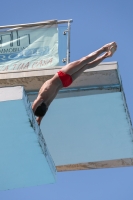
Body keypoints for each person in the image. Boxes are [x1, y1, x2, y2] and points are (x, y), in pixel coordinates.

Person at [32, 42, 117, 125]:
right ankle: (104, 48)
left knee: (87, 66)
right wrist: (32, 113)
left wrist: (39, 120)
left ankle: (105, 56)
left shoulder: (47, 103)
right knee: (84, 60)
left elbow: (42, 112)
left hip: (66, 83)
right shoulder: (41, 97)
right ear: (39, 104)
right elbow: (36, 104)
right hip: (61, 76)